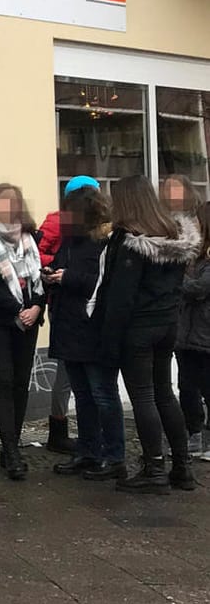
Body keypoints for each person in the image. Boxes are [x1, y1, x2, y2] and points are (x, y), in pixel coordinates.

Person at [93, 176, 201, 493]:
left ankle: (154, 468)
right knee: (164, 392)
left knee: (143, 397)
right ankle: (181, 467)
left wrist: (108, 343)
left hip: (138, 330)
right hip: (167, 325)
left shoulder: (128, 241)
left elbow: (120, 298)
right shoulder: (172, 235)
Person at [47, 185, 124, 480]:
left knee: (103, 394)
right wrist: (52, 274)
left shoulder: (105, 243)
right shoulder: (70, 241)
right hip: (69, 327)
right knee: (83, 396)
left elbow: (104, 284)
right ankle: (88, 451)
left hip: (93, 330)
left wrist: (69, 277)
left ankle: (114, 455)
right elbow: (61, 265)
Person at [0, 183, 46, 482]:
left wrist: (38, 307)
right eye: (3, 202)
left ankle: (12, 444)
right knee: (3, 380)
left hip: (28, 321)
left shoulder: (31, 238)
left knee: (20, 382)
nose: (8, 206)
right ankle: (11, 450)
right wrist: (16, 308)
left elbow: (39, 280)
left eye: (13, 201)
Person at [38, 176, 99, 455]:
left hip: (84, 302)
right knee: (66, 369)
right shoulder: (56, 222)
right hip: (61, 302)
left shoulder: (98, 231)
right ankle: (59, 428)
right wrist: (56, 270)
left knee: (82, 373)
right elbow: (36, 255)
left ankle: (85, 436)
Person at [162, 175, 206, 452]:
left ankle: (199, 431)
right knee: (186, 382)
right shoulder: (165, 221)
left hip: (201, 316)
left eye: (175, 189)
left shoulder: (198, 218)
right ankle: (192, 431)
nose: (171, 194)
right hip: (180, 318)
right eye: (167, 189)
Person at [178, 202, 210, 463]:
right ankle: (194, 434)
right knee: (186, 387)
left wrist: (176, 277)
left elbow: (199, 289)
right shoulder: (191, 255)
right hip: (185, 334)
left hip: (205, 333)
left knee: (207, 387)